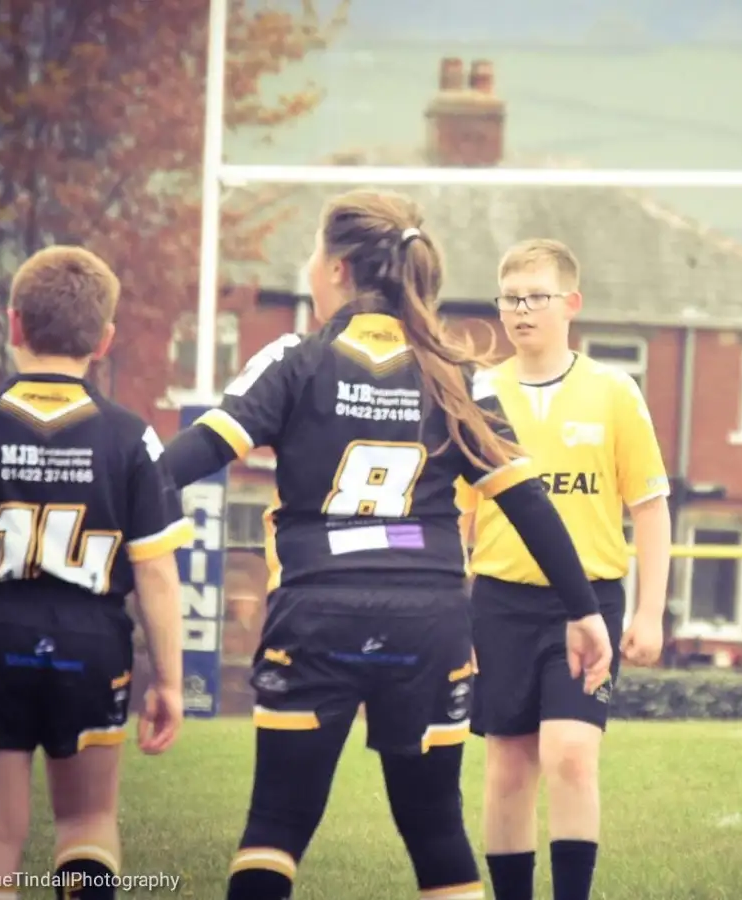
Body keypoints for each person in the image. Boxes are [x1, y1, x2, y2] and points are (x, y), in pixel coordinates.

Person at [159, 192, 614, 900]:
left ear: (337, 268)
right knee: (437, 830)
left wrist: (114, 527)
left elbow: (184, 463)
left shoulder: (294, 358)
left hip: (317, 614)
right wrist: (584, 611)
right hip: (428, 623)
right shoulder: (452, 373)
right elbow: (528, 500)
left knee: (275, 824)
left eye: (312, 254)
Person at [0, 246, 188, 900]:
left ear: (13, 325)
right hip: (92, 646)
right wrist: (170, 681)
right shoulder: (130, 437)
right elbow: (158, 575)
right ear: (105, 340)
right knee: (87, 821)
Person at [455, 239, 672, 900]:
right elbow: (458, 519)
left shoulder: (613, 392)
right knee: (508, 768)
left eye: (537, 298)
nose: (521, 311)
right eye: (511, 298)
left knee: (572, 755)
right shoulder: (478, 394)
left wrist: (650, 610)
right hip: (498, 602)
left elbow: (651, 507)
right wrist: (454, 611)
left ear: (571, 304)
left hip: (590, 606)